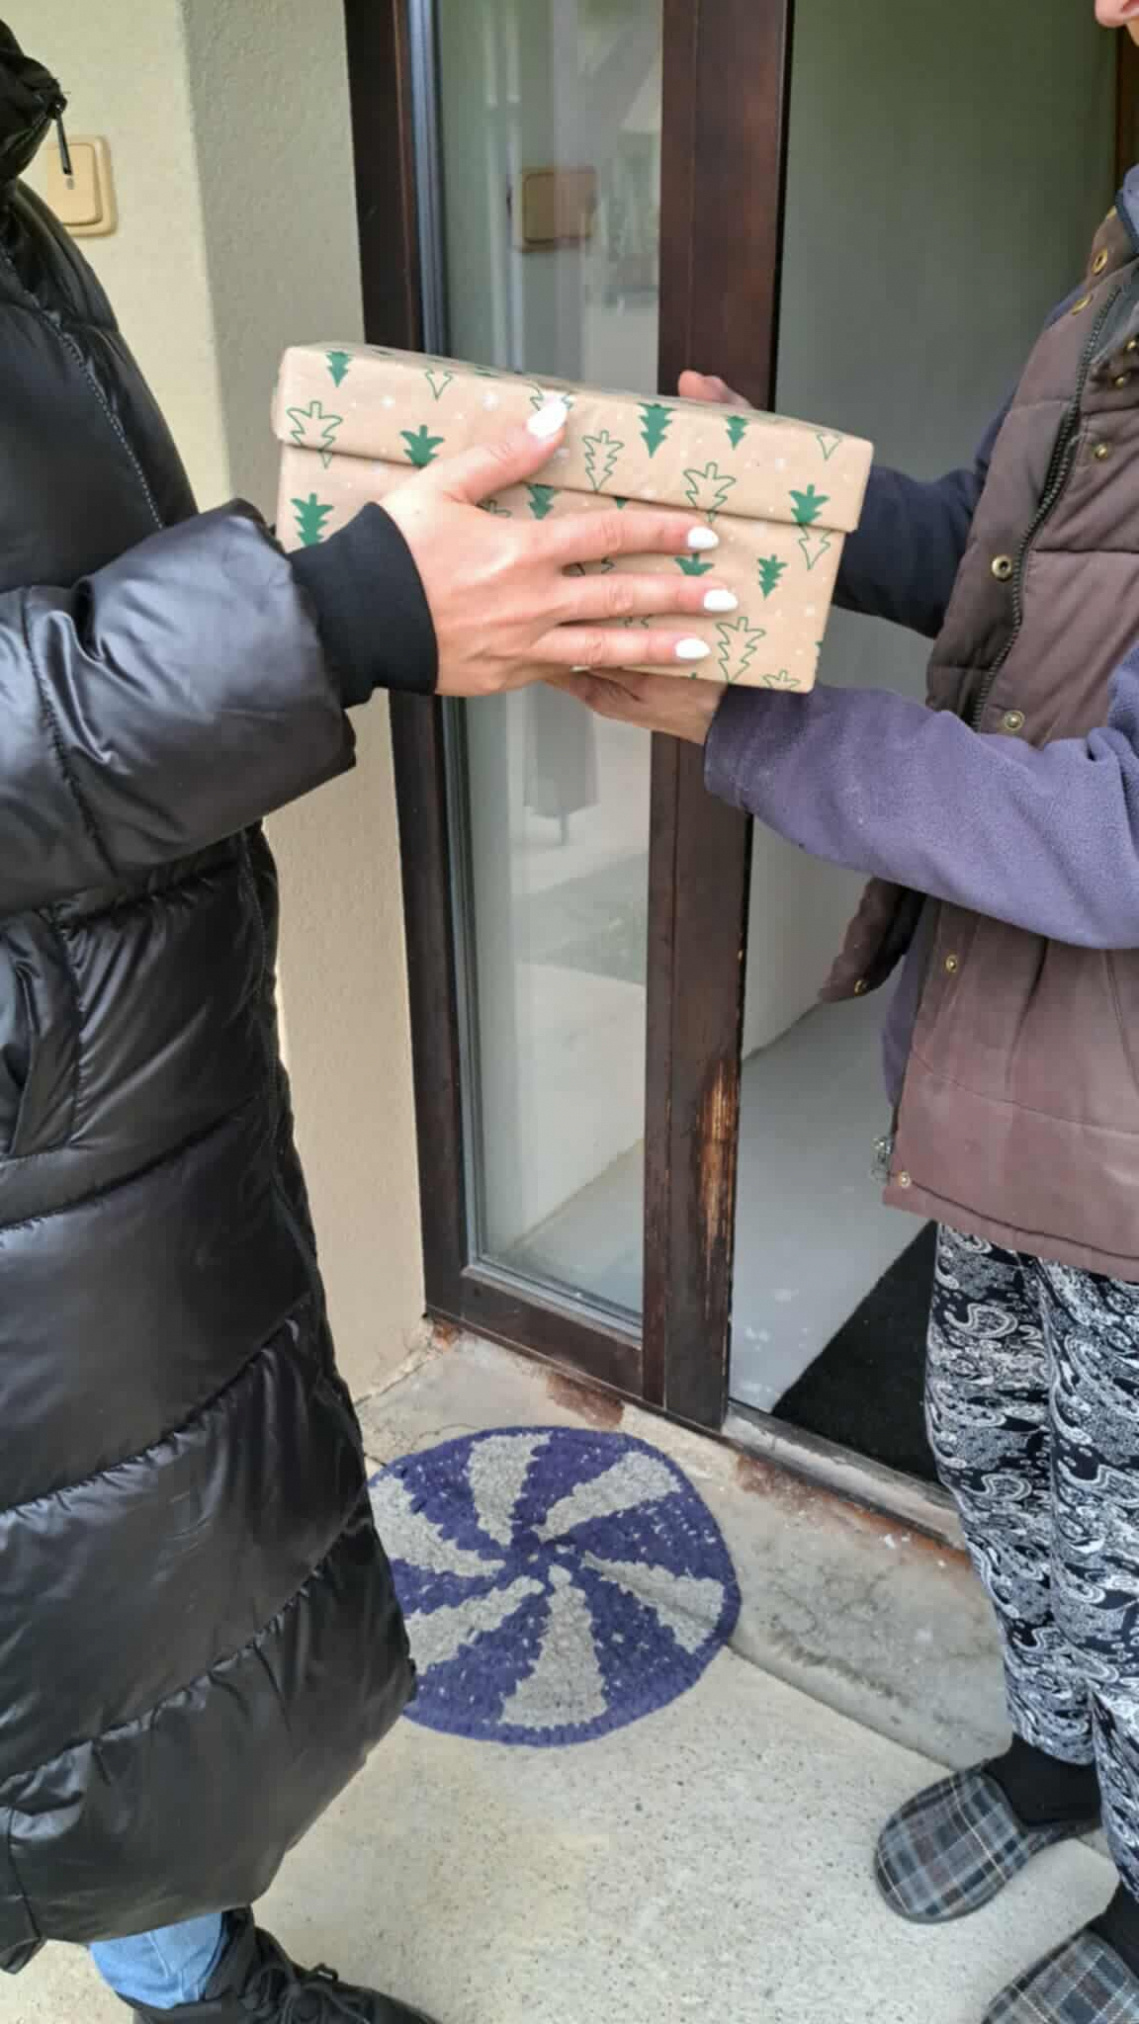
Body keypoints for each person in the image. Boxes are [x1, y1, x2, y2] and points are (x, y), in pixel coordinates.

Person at [0, 23, 740, 2024]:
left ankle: (186, 1970)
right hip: (56, 1116)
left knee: (106, 1650)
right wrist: (327, 622)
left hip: (107, 1095)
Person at [555, 2, 1139, 2017]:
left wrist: (759, 724)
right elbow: (987, 549)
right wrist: (780, 489)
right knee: (1001, 1444)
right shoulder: (1121, 269)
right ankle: (1061, 1754)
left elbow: (1124, 832)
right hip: (1014, 1062)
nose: (1106, 8)